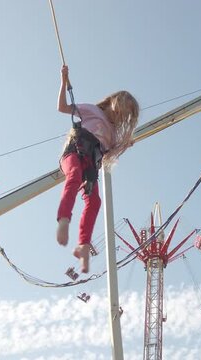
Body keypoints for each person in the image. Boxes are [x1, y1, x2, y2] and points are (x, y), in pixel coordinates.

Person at [56, 65, 139, 274]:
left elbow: (108, 156)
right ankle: (64, 220)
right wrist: (64, 82)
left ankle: (83, 245)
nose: (117, 117)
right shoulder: (92, 110)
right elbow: (63, 107)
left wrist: (123, 146)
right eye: (118, 111)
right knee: (73, 176)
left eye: (122, 116)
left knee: (95, 201)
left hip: (91, 167)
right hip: (74, 154)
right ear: (112, 103)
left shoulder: (112, 134)